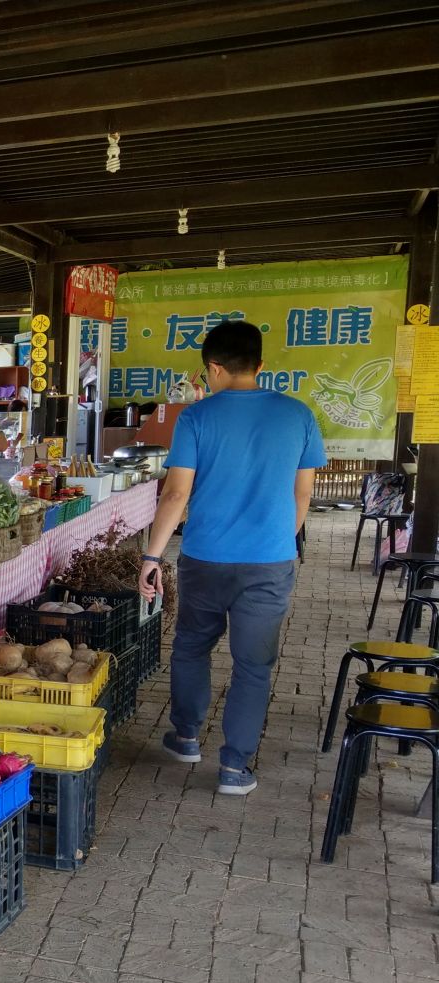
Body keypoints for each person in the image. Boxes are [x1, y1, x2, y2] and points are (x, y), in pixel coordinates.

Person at [138, 319, 325, 796]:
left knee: (192, 646)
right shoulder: (298, 415)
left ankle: (184, 737)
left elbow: (176, 495)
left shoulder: (197, 418)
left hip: (205, 557)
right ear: (260, 366)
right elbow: (303, 495)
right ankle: (235, 768)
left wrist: (151, 556)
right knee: (253, 666)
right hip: (269, 561)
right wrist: (278, 541)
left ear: (213, 368)